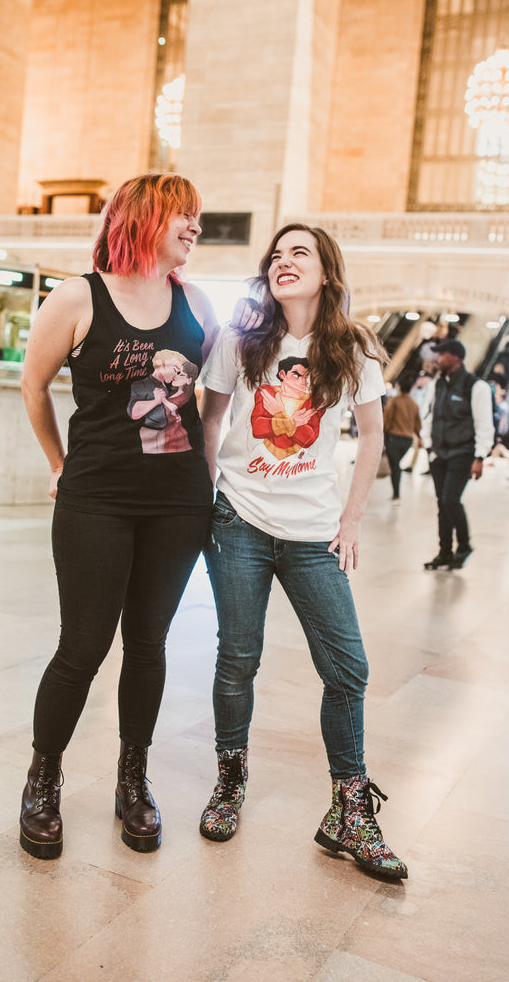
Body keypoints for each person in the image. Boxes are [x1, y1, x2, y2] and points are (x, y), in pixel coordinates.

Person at [18, 173, 222, 860]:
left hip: (177, 499)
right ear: (144, 217)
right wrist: (57, 462)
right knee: (82, 646)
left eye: (197, 218)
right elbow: (33, 383)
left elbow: (212, 401)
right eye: (182, 216)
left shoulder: (195, 302)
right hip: (97, 496)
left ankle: (132, 780)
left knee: (149, 644)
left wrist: (212, 473)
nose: (194, 227)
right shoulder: (81, 295)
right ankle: (42, 779)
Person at [198, 223, 408, 880]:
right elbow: (209, 419)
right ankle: (229, 781)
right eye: (277, 254)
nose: (283, 262)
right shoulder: (241, 338)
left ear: (326, 271)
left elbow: (371, 434)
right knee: (238, 659)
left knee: (347, 669)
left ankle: (347, 810)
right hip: (239, 522)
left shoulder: (355, 348)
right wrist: (209, 496)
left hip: (314, 534)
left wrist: (350, 519)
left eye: (300, 253)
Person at [422, 339, 494, 570]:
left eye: (440, 354)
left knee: (450, 500)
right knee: (442, 504)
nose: (435, 359)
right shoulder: (436, 385)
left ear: (456, 358)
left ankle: (464, 546)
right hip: (439, 453)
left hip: (463, 452)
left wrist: (480, 457)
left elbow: (485, 424)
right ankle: (444, 552)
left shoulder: (476, 386)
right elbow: (429, 415)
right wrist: (428, 446)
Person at [382, 379, 422, 500]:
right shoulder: (414, 404)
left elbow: (387, 418)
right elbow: (417, 424)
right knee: (396, 465)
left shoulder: (394, 402)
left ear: (399, 388)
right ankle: (396, 493)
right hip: (407, 440)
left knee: (395, 466)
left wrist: (383, 432)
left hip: (393, 437)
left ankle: (396, 494)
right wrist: (419, 438)